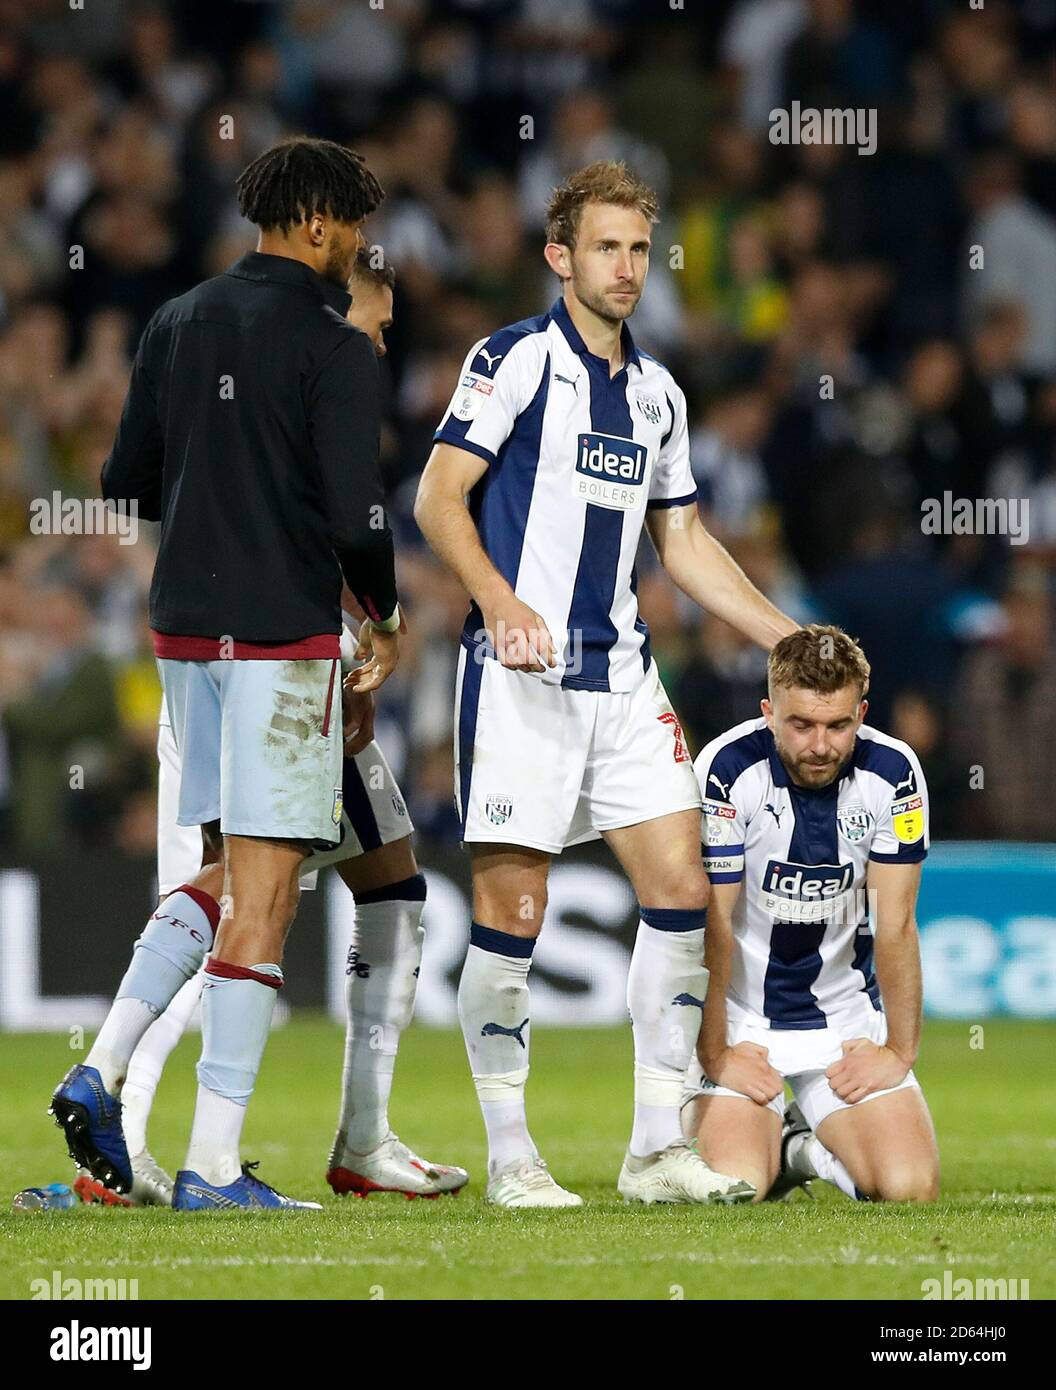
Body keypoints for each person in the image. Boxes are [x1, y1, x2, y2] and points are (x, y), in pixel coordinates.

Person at [414, 159, 796, 1208]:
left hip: (623, 678)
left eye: (638, 249)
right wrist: (498, 599)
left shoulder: (659, 394)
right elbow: (438, 496)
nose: (626, 268)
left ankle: (654, 1149)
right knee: (513, 913)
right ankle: (510, 1155)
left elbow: (684, 541)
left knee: (683, 888)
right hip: (522, 676)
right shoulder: (515, 360)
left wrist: (789, 634)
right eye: (606, 248)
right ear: (559, 256)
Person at [51, 137, 402, 1211]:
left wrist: (221, 491)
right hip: (282, 639)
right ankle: (208, 1162)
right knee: (266, 896)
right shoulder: (336, 348)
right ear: (314, 222)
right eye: (348, 227)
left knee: (217, 873)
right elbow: (356, 515)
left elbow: (124, 480)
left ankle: (100, 1068)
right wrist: (381, 611)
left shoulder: (176, 319)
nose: (355, 248)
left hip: (184, 634)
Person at [682, 625, 940, 1203]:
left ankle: (802, 1148)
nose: (820, 745)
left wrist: (898, 1050)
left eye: (838, 725)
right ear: (769, 711)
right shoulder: (726, 767)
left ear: (862, 713)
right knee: (736, 1189)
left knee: (909, 1189)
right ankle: (790, 1147)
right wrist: (716, 1050)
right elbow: (713, 923)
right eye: (801, 725)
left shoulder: (894, 773)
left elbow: (896, 924)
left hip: (842, 1022)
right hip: (742, 1019)